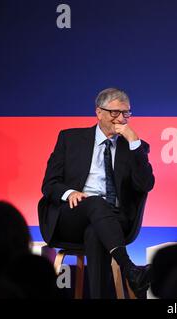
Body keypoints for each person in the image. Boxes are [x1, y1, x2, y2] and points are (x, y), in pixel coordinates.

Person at [38, 88, 155, 298]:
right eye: (114, 113)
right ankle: (130, 268)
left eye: (126, 113)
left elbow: (145, 185)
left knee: (95, 233)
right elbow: (49, 184)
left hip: (113, 220)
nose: (121, 119)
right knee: (95, 203)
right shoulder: (70, 139)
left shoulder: (135, 146)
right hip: (71, 215)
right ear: (99, 112)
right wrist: (70, 192)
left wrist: (135, 142)